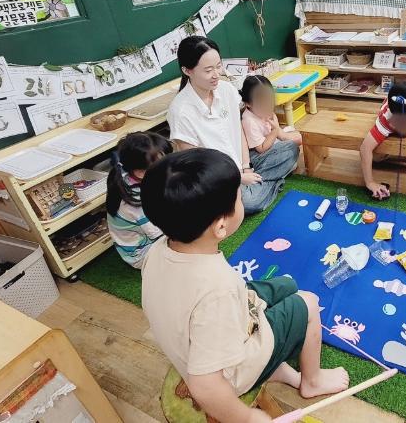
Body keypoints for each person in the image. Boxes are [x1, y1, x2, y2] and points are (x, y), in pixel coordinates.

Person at [139, 148, 349, 423]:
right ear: (220, 227)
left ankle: (275, 367)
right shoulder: (218, 290)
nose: (242, 199)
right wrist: (248, 418)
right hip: (231, 375)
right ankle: (312, 381)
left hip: (204, 336)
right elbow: (205, 386)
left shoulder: (157, 249)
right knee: (308, 302)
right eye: (239, 197)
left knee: (285, 284)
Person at [167, 36, 297, 214]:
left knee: (290, 149)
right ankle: (270, 182)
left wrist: (245, 167)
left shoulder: (226, 90)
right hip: (216, 178)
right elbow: (196, 166)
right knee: (251, 202)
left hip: (244, 161)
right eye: (208, 70)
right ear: (187, 70)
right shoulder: (180, 111)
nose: (216, 74)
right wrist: (238, 178)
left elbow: (238, 132)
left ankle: (254, 185)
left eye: (218, 66)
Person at [105, 131, 172, 268]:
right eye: (164, 165)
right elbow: (161, 234)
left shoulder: (130, 175)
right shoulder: (136, 203)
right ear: (141, 172)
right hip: (142, 254)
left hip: (148, 234)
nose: (170, 168)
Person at [240, 75, 302, 176]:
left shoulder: (264, 111)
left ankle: (285, 166)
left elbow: (277, 132)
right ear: (248, 104)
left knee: (295, 134)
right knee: (291, 147)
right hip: (258, 154)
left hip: (271, 141)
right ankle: (280, 168)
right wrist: (275, 131)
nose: (268, 105)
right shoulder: (249, 121)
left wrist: (280, 133)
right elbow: (261, 148)